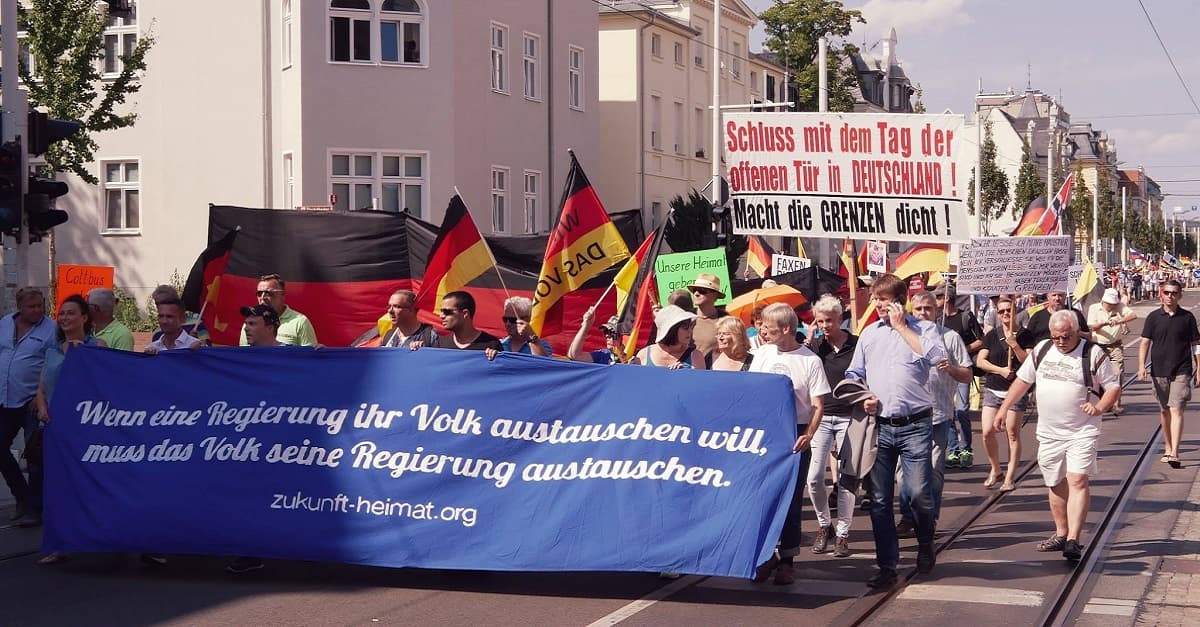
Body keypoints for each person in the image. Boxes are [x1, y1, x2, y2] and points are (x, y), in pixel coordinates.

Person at [844, 273, 945, 588]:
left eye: (883, 300)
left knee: (917, 494)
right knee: (879, 501)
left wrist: (902, 327)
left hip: (916, 423)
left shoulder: (924, 329)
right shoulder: (869, 334)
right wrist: (863, 398)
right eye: (874, 299)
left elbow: (936, 358)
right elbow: (853, 372)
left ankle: (925, 539)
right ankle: (887, 565)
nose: (877, 305)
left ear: (899, 302)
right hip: (880, 427)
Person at [995, 310, 1120, 561]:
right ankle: (1061, 533)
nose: (1061, 342)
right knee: (1054, 481)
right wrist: (1004, 407)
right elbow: (1022, 381)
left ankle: (1074, 539)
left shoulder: (1092, 353)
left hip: (1082, 429)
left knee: (1077, 480)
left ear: (1076, 332)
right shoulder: (1042, 349)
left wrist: (1099, 408)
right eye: (1056, 337)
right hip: (1050, 431)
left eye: (1066, 336)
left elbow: (1113, 387)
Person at [750, 302, 830, 585]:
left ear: (786, 328)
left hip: (795, 432)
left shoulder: (810, 361)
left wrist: (808, 434)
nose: (763, 331)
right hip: (765, 433)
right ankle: (765, 554)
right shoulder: (761, 354)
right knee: (764, 497)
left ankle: (787, 559)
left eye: (769, 328)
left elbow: (818, 404)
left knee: (791, 499)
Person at [35, 295, 106, 565]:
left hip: (85, 432)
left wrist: (84, 355)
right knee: (56, 488)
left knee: (88, 486)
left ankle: (101, 537)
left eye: (70, 313)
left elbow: (104, 384)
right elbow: (42, 387)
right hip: (55, 429)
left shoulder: (96, 346)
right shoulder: (52, 348)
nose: (64, 318)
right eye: (61, 313)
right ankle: (59, 544)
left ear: (84, 318)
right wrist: (42, 408)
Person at [901, 291, 973, 532]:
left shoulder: (949, 338)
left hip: (938, 415)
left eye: (928, 309)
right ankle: (908, 516)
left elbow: (967, 374)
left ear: (937, 310)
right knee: (904, 474)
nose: (923, 313)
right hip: (906, 415)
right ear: (912, 310)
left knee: (932, 470)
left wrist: (950, 368)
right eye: (919, 309)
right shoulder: (902, 336)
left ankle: (928, 517)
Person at [805, 295, 858, 558]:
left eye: (829, 320)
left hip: (850, 416)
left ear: (840, 319)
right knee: (814, 477)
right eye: (820, 321)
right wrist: (810, 341)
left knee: (847, 477)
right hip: (823, 417)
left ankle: (843, 533)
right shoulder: (816, 348)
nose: (825, 325)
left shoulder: (856, 345)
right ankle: (824, 525)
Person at [0, 287, 56, 528]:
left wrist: (41, 395)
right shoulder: (4, 323)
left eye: (40, 305)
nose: (37, 311)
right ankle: (23, 498)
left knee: (35, 456)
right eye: (31, 307)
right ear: (19, 307)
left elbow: (52, 362)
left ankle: (36, 509)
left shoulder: (51, 329)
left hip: (32, 401)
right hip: (4, 398)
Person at [1138, 279, 1198, 468]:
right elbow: (1145, 342)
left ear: (1180, 295)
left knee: (1176, 408)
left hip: (1182, 370)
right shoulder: (1153, 317)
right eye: (1167, 293)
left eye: (1174, 293)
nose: (1170, 296)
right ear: (1160, 294)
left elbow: (1196, 344)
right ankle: (1168, 445)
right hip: (1159, 371)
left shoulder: (1187, 318)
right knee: (1165, 410)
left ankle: (1175, 453)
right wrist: (1141, 366)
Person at [975, 297, 1031, 492]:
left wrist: (1015, 345)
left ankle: (1009, 476)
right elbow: (981, 362)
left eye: (1009, 310)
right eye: (1001, 312)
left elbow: (1028, 361)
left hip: (1015, 390)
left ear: (1016, 310)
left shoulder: (1025, 334)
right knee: (987, 431)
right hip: (993, 388)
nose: (1006, 314)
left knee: (1012, 433)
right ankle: (995, 469)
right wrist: (1000, 370)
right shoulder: (992, 335)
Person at [935, 284, 984, 470]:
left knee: (962, 410)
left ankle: (967, 449)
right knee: (947, 411)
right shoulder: (938, 320)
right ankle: (954, 450)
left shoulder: (966, 316)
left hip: (961, 368)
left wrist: (963, 351)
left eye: (938, 297)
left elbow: (981, 339)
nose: (936, 301)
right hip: (945, 371)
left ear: (947, 298)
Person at [1087, 288, 1136, 414]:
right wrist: (1105, 323)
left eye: (1113, 304)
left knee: (1118, 373)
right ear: (1104, 301)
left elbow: (1133, 315)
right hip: (1098, 346)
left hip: (1115, 346)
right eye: (1109, 304)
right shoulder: (1094, 308)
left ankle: (1116, 403)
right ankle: (1099, 401)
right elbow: (1093, 327)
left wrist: (1119, 320)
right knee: (1096, 376)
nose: (1111, 307)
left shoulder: (1119, 306)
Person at [239, 273, 318, 346]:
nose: (263, 297)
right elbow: (243, 355)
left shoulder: (300, 322)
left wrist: (320, 352)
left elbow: (309, 357)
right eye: (259, 294)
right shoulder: (249, 323)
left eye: (268, 293)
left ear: (282, 295)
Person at [633, 305, 705, 369]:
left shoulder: (696, 357)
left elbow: (700, 383)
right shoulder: (644, 354)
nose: (690, 331)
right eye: (685, 327)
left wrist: (685, 375)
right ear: (672, 329)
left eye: (690, 326)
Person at [432, 291, 502, 352]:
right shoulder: (440, 345)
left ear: (465, 313)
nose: (441, 316)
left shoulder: (492, 345)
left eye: (447, 312)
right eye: (441, 311)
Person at [1026, 290, 1090, 346]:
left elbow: (1088, 336)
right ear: (1048, 297)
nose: (1057, 298)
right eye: (1054, 295)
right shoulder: (1037, 317)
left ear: (1065, 296)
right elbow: (1028, 342)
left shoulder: (1075, 314)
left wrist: (1078, 332)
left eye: (1060, 295)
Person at [687, 273, 726, 356]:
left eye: (702, 290)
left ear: (714, 295)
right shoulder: (685, 317)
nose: (696, 293)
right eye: (694, 290)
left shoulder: (725, 320)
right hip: (688, 368)